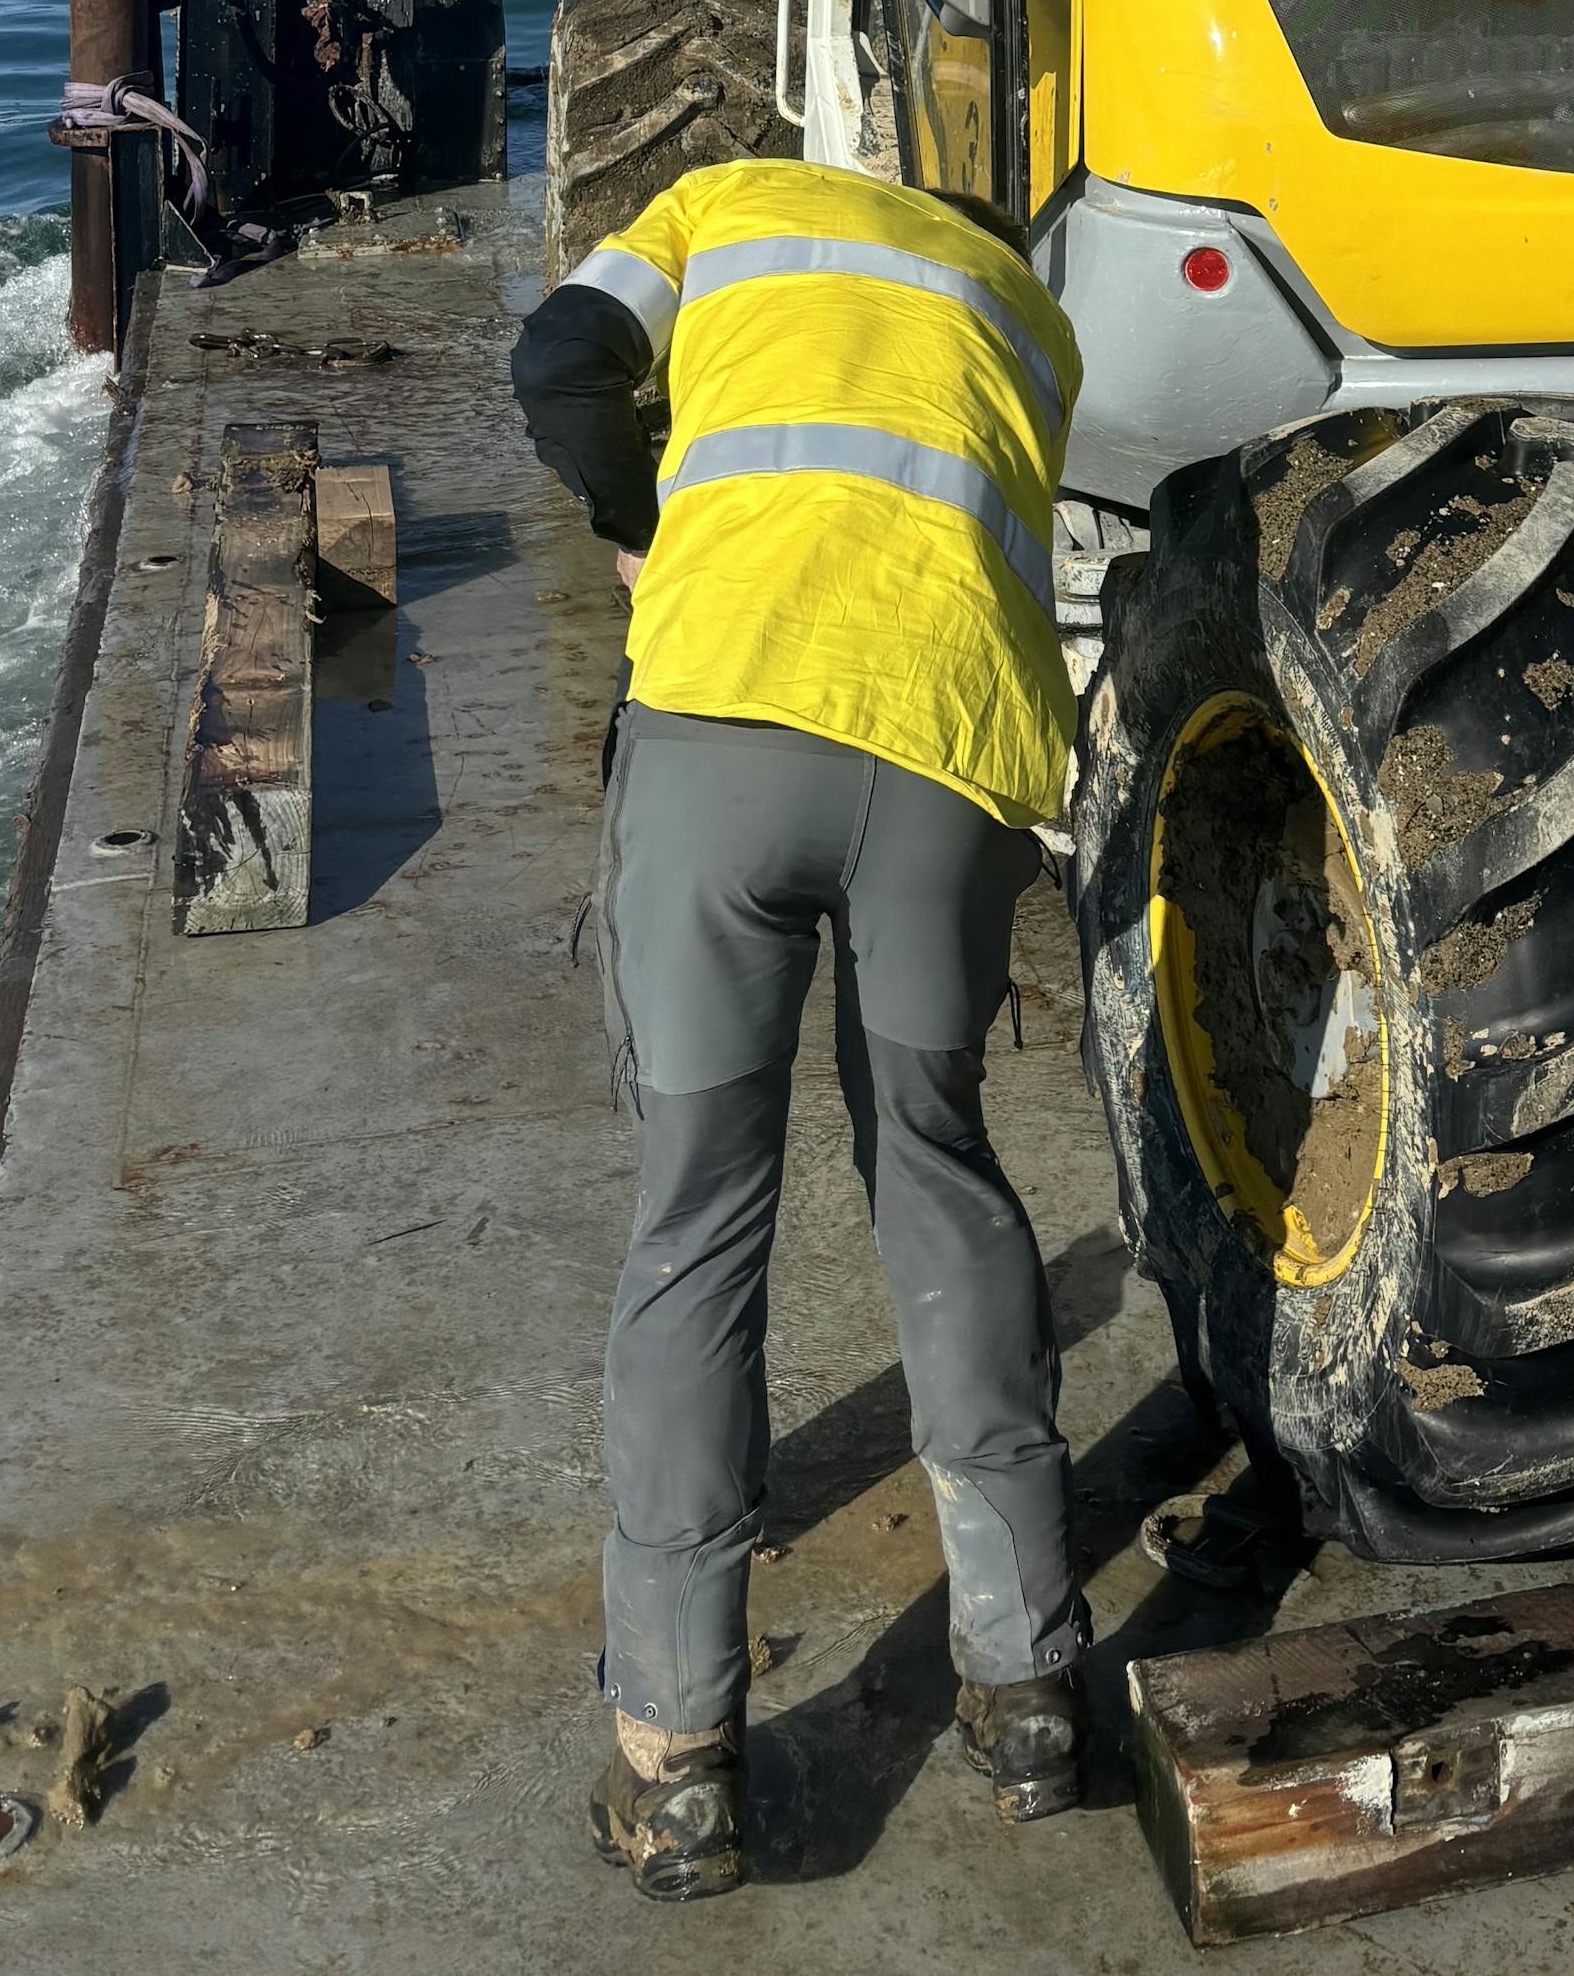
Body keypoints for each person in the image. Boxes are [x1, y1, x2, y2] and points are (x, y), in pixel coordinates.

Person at [511, 151, 1087, 1905]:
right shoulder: (1030, 315)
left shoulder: (722, 204)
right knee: (937, 1167)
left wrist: (641, 525)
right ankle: (1030, 1691)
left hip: (725, 731)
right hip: (948, 762)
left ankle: (679, 1757)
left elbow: (557, 365)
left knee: (698, 1216)